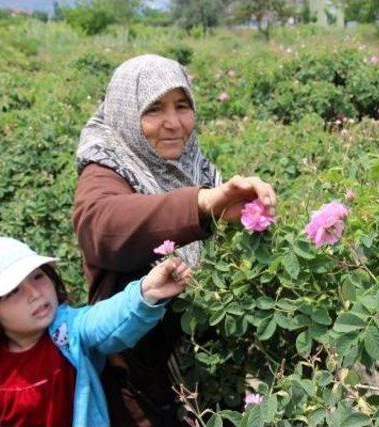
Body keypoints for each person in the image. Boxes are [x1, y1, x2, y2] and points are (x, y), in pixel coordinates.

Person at [73, 54, 277, 426]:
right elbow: (101, 227)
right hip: (139, 377)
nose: (173, 123)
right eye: (154, 109)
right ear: (125, 112)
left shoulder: (192, 164)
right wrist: (199, 204)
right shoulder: (104, 169)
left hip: (201, 364)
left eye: (182, 106)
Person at [0, 236, 192, 427]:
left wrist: (145, 293)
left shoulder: (68, 331)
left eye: (38, 276)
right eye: (13, 291)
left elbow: (105, 320)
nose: (35, 293)